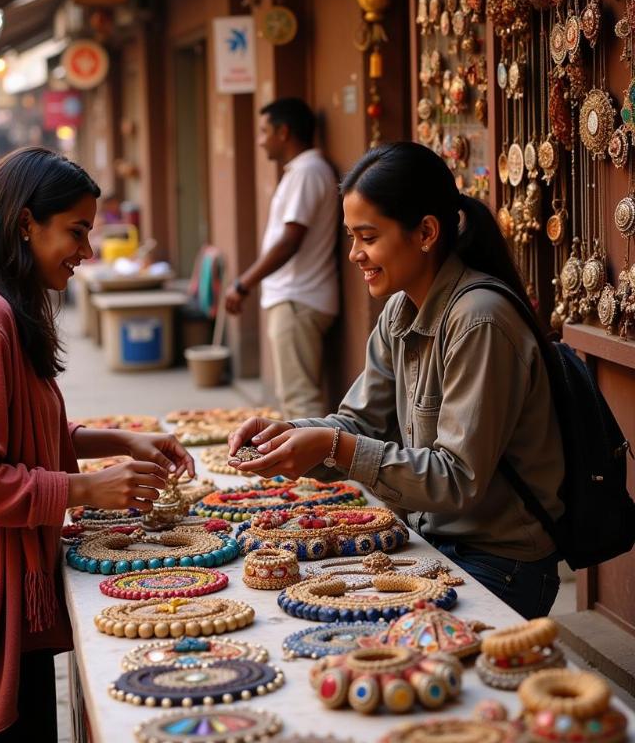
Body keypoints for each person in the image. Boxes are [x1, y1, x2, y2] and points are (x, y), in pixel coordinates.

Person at [0, 147, 195, 741]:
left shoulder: (1, 304)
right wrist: (84, 488)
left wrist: (122, 442)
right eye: (76, 232)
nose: (86, 251)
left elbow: (22, 439)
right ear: (26, 223)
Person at [228, 142, 564, 620]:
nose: (354, 255)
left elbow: (457, 478)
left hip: (501, 563)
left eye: (367, 237)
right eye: (350, 236)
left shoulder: (480, 321)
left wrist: (332, 447)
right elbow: (357, 420)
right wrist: (287, 434)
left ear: (426, 232)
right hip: (433, 544)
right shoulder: (398, 311)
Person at [224, 97, 339, 419]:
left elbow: (290, 241)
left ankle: (312, 471)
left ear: (283, 132)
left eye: (264, 131)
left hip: (297, 299)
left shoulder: (308, 172)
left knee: (300, 401)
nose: (260, 141)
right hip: (298, 298)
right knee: (296, 399)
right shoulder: (304, 171)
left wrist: (243, 284)